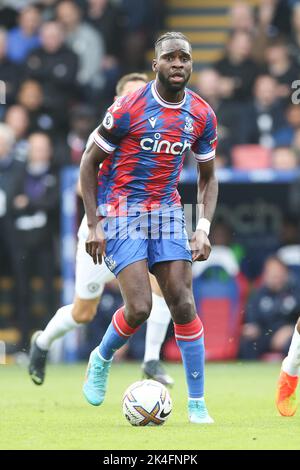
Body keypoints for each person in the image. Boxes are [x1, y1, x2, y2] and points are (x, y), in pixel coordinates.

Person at [80, 32, 218, 424]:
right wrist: (94, 224)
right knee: (139, 307)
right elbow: (89, 162)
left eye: (185, 58)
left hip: (167, 211)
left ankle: (196, 403)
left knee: (183, 302)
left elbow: (208, 176)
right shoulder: (128, 107)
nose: (178, 64)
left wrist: (203, 226)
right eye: (170, 58)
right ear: (155, 65)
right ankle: (102, 357)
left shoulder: (202, 114)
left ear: (191, 65)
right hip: (122, 209)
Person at [28, 73, 174, 388]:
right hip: (101, 237)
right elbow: (84, 180)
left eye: (144, 95)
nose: (141, 102)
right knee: (83, 312)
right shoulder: (108, 134)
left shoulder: (158, 137)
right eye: (132, 96)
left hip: (139, 230)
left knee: (159, 285)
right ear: (118, 102)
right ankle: (42, 342)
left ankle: (150, 360)